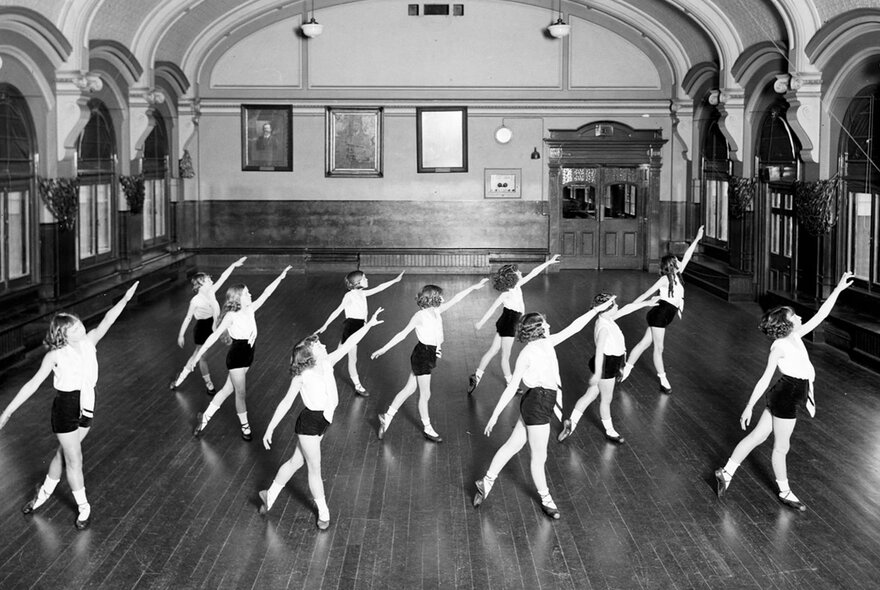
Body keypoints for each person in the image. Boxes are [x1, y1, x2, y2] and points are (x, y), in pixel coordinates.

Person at [0, 281, 139, 530]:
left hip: (87, 405)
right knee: (75, 459)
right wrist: (7, 412)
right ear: (63, 334)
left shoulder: (90, 342)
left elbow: (108, 319)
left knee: (62, 455)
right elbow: (32, 384)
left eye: (78, 323)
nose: (80, 327)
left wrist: (125, 299)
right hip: (65, 409)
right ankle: (84, 507)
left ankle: (43, 494)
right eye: (73, 327)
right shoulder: (55, 355)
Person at [714, 271, 854, 512]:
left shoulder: (795, 335)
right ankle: (785, 491)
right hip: (786, 396)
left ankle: (725, 472)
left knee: (758, 437)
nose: (800, 317)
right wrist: (749, 406)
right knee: (781, 447)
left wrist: (838, 289)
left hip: (786, 394)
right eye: (795, 315)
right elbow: (765, 378)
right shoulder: (779, 346)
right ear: (787, 323)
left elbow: (821, 315)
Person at [473, 297, 615, 519]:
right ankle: (547, 500)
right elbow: (511, 387)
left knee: (513, 444)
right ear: (538, 329)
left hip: (534, 401)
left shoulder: (540, 345)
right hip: (538, 403)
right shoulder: (535, 350)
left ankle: (487, 480)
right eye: (545, 324)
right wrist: (495, 414)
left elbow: (574, 327)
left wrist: (596, 309)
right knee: (539, 456)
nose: (549, 325)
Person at [259, 309, 384, 530]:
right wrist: (270, 428)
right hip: (309, 424)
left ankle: (270, 495)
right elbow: (286, 402)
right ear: (310, 356)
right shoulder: (302, 376)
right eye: (318, 346)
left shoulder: (327, 362)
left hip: (323, 421)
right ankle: (323, 511)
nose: (324, 345)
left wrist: (369, 325)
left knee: (295, 462)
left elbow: (349, 343)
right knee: (314, 467)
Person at [372, 278, 489, 442]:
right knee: (425, 393)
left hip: (429, 354)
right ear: (433, 297)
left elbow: (456, 299)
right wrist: (384, 348)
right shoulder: (419, 316)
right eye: (440, 296)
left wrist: (473, 287)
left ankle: (387, 416)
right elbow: (402, 334)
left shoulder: (436, 311)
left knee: (409, 389)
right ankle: (428, 428)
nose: (443, 299)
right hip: (422, 355)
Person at [182, 266, 292, 441]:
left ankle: (205, 418)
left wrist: (281, 276)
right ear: (238, 297)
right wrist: (197, 355)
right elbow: (213, 337)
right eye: (247, 293)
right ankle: (245, 427)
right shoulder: (231, 316)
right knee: (240, 393)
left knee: (227, 390)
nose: (250, 295)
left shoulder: (250, 309)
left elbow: (266, 293)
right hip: (237, 358)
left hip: (248, 355)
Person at [557, 292, 658, 444]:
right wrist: (598, 373)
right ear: (606, 309)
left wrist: (646, 303)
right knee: (606, 399)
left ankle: (571, 422)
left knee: (590, 395)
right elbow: (599, 353)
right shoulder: (603, 327)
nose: (618, 306)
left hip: (610, 363)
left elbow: (628, 308)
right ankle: (610, 431)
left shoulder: (607, 318)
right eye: (615, 305)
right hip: (606, 365)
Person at [619, 225, 704, 393]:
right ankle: (664, 381)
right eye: (677, 261)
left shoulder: (678, 275)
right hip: (660, 314)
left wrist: (696, 239)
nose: (680, 262)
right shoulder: (665, 279)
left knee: (644, 343)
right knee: (659, 348)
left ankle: (626, 370)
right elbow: (646, 293)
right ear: (672, 265)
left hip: (664, 315)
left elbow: (687, 256)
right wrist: (631, 307)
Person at [468, 255, 561, 395]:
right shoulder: (507, 294)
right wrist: (480, 323)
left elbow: (534, 272)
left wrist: (549, 262)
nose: (520, 272)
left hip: (506, 320)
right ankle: (510, 383)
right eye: (517, 272)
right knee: (505, 356)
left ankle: (477, 375)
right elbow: (492, 308)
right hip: (509, 324)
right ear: (512, 277)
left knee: (493, 350)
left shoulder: (517, 285)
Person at [316, 270, 404, 396]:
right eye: (364, 278)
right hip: (352, 328)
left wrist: (395, 280)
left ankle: (321, 372)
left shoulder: (362, 293)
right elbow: (337, 310)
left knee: (339, 354)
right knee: (351, 358)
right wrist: (325, 324)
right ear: (357, 282)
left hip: (358, 327)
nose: (367, 279)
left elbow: (379, 288)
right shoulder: (350, 296)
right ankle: (357, 385)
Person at [172, 257, 247, 394]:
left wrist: (233, 265)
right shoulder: (195, 301)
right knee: (200, 356)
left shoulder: (211, 291)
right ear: (200, 285)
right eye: (208, 280)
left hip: (216, 324)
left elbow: (223, 277)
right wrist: (181, 335)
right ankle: (199, 382)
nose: (212, 281)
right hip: (203, 328)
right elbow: (188, 318)